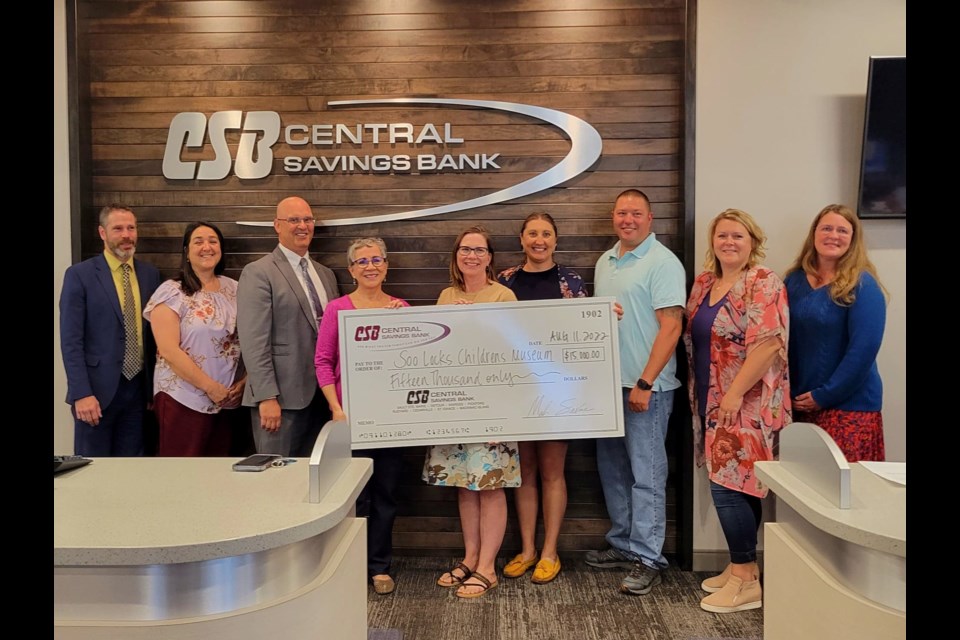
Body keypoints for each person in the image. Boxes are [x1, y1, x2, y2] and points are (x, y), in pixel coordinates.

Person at [683, 208, 790, 613]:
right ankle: (740, 566)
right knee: (735, 484)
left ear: (752, 242)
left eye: (738, 236)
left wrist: (733, 395)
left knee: (728, 489)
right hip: (712, 400)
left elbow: (767, 344)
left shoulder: (762, 282)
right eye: (722, 235)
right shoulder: (705, 283)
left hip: (746, 405)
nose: (729, 242)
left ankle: (746, 581)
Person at [585, 189, 685, 597]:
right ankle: (624, 543)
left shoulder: (663, 263)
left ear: (650, 218)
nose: (628, 219)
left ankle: (648, 557)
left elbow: (671, 327)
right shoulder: (605, 261)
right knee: (614, 471)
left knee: (647, 475)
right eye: (622, 213)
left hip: (647, 388)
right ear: (614, 217)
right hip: (609, 386)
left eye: (636, 213)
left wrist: (645, 382)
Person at [423, 225, 520, 599]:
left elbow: (514, 352)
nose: (472, 256)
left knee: (490, 486)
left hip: (493, 406)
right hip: (456, 406)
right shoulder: (446, 295)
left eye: (479, 250)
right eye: (465, 249)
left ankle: (487, 568)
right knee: (465, 485)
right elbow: (437, 352)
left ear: (490, 257)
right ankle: (470, 557)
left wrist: (477, 318)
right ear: (457, 255)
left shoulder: (503, 295)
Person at [496, 212, 587, 585]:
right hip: (514, 390)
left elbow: (584, 333)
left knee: (552, 471)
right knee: (524, 473)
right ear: (521, 239)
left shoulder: (571, 281)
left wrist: (603, 317)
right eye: (532, 233)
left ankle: (550, 551)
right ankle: (527, 550)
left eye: (546, 234)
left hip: (555, 392)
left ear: (555, 240)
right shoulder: (504, 280)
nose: (539, 240)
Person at [314, 238, 409, 595]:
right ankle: (346, 567)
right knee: (352, 496)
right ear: (351, 269)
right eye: (362, 261)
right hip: (349, 420)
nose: (370, 267)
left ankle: (379, 567)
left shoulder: (401, 309)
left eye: (376, 260)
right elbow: (322, 362)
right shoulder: (338, 309)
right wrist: (336, 408)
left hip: (389, 420)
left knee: (385, 494)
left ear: (386, 265)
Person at [237, 196, 339, 457]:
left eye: (307, 219)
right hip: (280, 400)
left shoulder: (325, 274)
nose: (302, 226)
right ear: (277, 225)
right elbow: (253, 341)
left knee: (316, 480)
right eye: (293, 220)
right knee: (276, 481)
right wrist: (266, 397)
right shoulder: (258, 272)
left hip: (322, 398)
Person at [785, 204, 887, 462]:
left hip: (848, 407)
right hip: (799, 404)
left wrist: (824, 395)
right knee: (802, 493)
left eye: (842, 230)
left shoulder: (863, 285)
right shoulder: (793, 281)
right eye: (826, 228)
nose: (833, 235)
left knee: (844, 496)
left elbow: (864, 350)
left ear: (853, 240)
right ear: (814, 234)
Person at [59, 204, 162, 456]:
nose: (127, 235)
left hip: (137, 392)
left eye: (131, 228)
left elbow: (153, 338)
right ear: (102, 233)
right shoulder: (79, 275)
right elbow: (71, 341)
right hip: (96, 394)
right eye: (118, 229)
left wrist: (152, 390)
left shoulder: (150, 275)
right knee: (92, 471)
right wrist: (81, 393)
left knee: (132, 470)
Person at [143, 222, 245, 456]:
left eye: (213, 241)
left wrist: (244, 383)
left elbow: (251, 338)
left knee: (218, 477)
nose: (206, 247)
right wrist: (210, 388)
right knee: (182, 477)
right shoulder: (171, 291)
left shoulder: (236, 289)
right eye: (198, 241)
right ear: (186, 252)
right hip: (183, 398)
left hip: (226, 402)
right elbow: (168, 350)